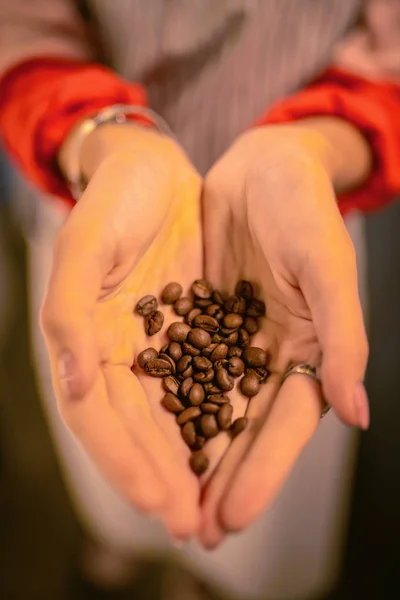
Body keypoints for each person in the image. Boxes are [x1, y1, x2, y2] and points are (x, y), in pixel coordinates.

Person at [0, 1, 399, 598]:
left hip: (292, 238)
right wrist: (99, 138)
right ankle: (123, 540)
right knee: (107, 418)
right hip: (107, 219)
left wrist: (313, 150)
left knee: (258, 513)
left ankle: (200, 573)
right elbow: (17, 31)